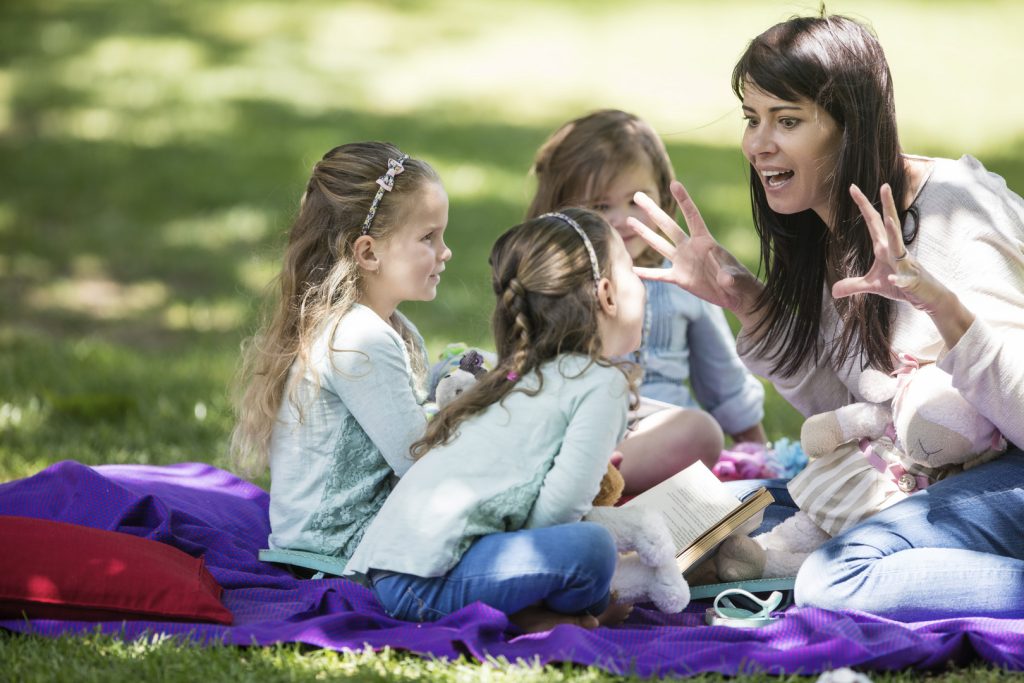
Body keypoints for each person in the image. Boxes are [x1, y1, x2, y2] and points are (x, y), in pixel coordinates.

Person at [629, 14, 1024, 618]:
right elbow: (854, 413)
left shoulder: (957, 215)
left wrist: (941, 306)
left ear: (851, 127)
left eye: (787, 121)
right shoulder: (827, 225)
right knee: (716, 512)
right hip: (913, 475)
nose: (758, 144)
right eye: (752, 118)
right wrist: (750, 304)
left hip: (1007, 474)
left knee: (834, 580)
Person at [345, 208, 644, 632]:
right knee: (594, 548)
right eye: (633, 269)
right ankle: (560, 615)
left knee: (585, 543)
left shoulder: (519, 372)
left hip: (393, 570)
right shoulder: (600, 383)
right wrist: (589, 583)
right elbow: (561, 508)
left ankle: (529, 613)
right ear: (608, 294)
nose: (642, 282)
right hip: (428, 582)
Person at [230, 141, 451, 569]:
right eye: (428, 237)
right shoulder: (358, 339)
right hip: (338, 551)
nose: (445, 252)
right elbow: (420, 464)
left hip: (353, 537)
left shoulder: (391, 328)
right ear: (368, 252)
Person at [527, 109, 765, 496]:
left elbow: (722, 375)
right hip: (577, 433)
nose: (622, 219)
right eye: (600, 207)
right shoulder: (550, 281)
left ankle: (586, 488)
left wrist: (756, 451)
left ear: (661, 196)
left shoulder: (684, 279)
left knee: (699, 432)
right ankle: (581, 483)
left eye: (636, 201)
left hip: (656, 436)